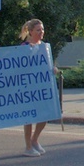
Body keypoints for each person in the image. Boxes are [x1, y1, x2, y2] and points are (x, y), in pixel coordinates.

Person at [20, 18, 59, 157]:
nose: (41, 32)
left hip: (43, 88)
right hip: (29, 88)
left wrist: (53, 69)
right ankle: (28, 146)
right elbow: (20, 67)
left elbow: (48, 64)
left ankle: (35, 139)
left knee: (45, 115)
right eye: (38, 30)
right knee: (29, 117)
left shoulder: (44, 47)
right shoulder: (24, 47)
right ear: (30, 32)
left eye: (42, 29)